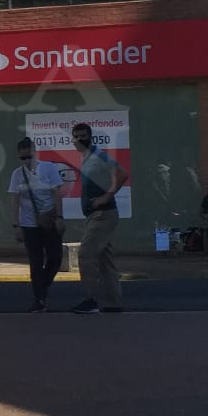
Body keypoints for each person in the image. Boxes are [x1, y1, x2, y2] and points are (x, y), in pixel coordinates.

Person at [70, 123, 129, 315]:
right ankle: (113, 302)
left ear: (90, 137)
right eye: (76, 136)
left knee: (85, 254)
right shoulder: (85, 158)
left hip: (103, 214)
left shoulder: (99, 155)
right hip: (95, 216)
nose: (79, 139)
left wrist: (106, 196)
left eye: (83, 135)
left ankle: (89, 301)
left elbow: (122, 173)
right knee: (105, 259)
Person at [8, 137, 65, 312]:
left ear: (35, 153)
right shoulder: (17, 174)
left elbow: (57, 193)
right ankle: (39, 298)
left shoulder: (48, 168)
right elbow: (14, 200)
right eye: (23, 158)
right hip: (29, 223)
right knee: (35, 261)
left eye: (29, 157)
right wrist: (16, 226)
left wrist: (60, 217)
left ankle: (43, 287)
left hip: (49, 220)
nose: (27, 161)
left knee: (55, 258)